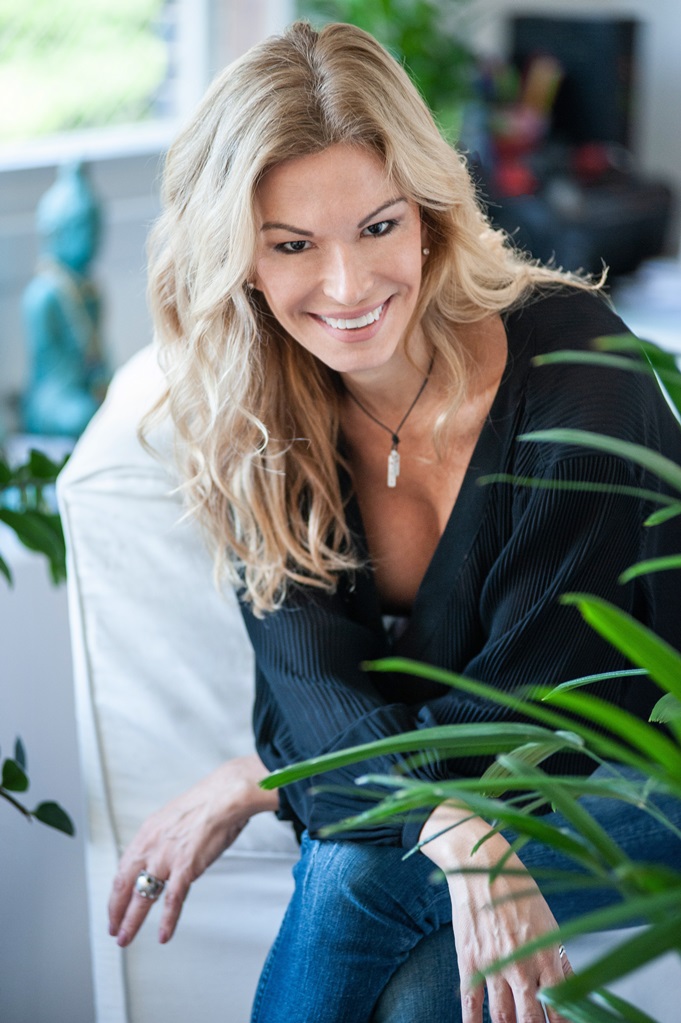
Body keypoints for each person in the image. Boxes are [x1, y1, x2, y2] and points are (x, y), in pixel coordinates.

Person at [107, 21, 681, 1023]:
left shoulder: (578, 371)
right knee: (424, 998)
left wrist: (277, 779)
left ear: (428, 212)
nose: (348, 286)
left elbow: (541, 711)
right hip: (499, 774)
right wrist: (440, 817)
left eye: (377, 227)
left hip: (644, 764)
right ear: (240, 259)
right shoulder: (259, 408)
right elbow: (309, 695)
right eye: (293, 245)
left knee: (355, 873)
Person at [22, 161, 108, 437]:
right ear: (57, 233)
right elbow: (53, 373)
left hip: (86, 389)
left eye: (95, 229)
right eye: (81, 228)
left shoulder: (90, 292)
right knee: (84, 416)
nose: (92, 239)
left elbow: (99, 353)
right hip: (55, 400)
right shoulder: (43, 296)